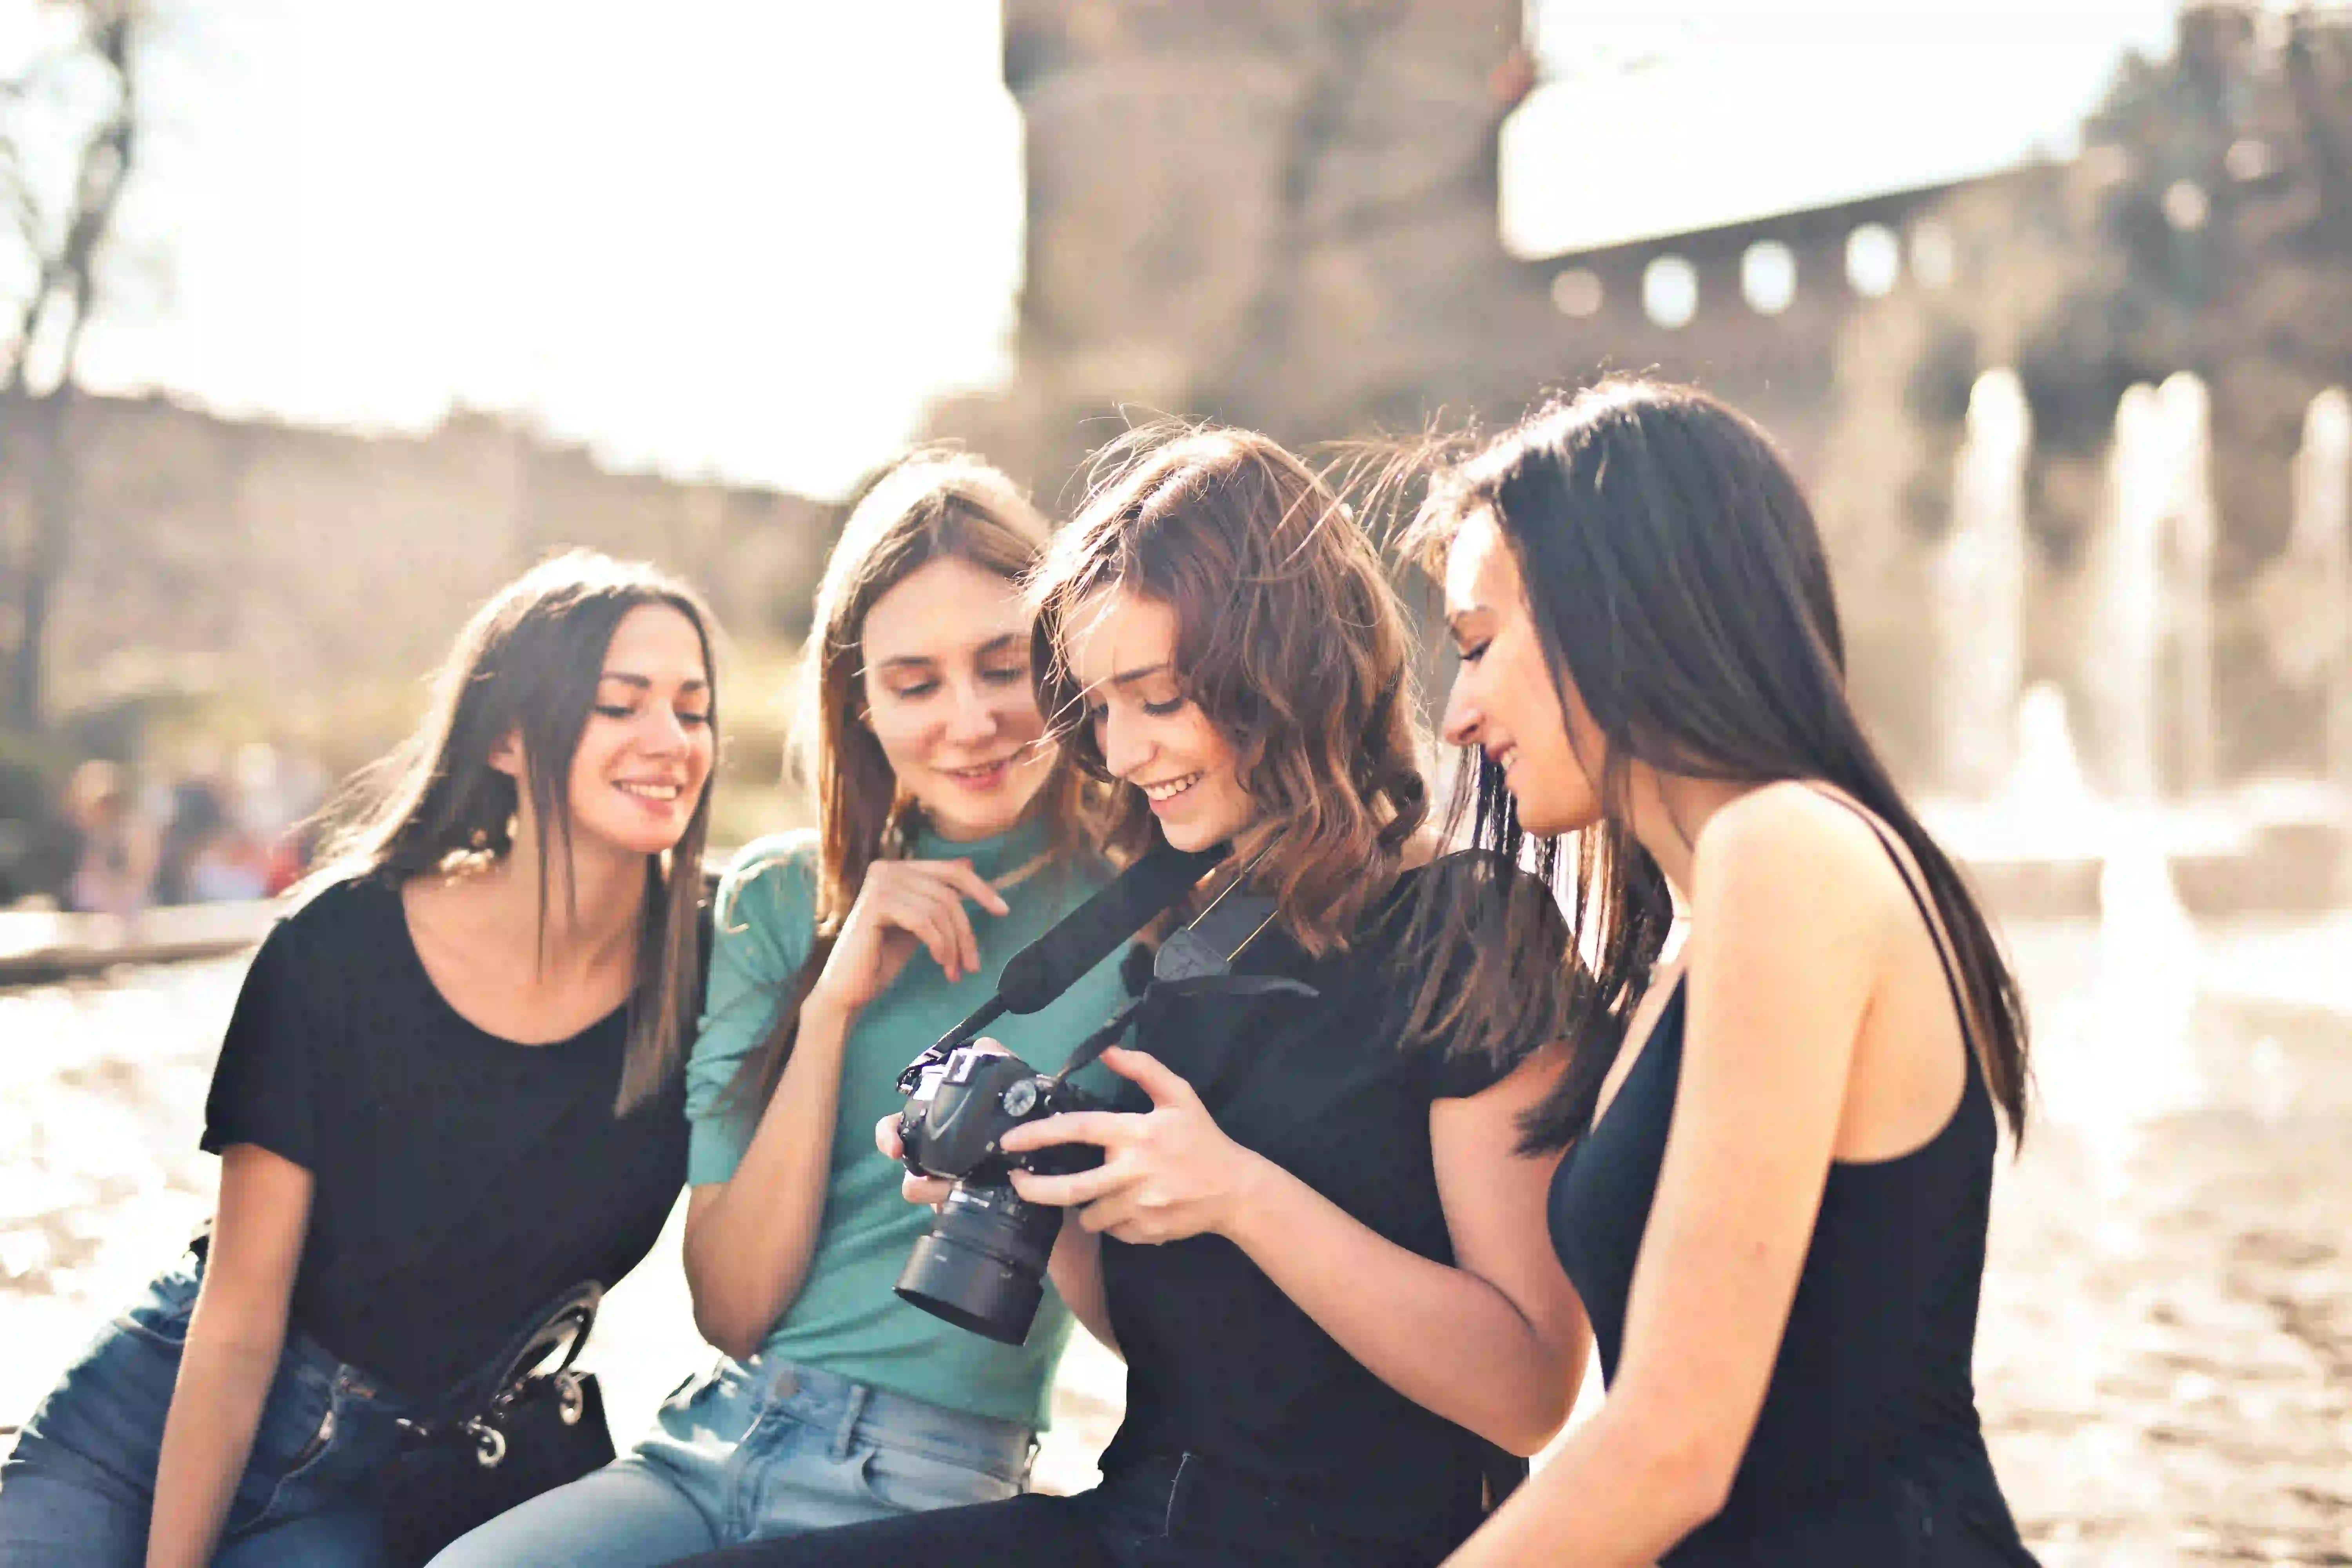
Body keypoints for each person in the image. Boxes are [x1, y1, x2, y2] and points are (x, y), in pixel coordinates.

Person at [671, 425, 1590, 1568]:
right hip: (1133, 1525)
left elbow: (1529, 1392)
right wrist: (1033, 1191)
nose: (1119, 750)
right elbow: (1177, 1356)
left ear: (1280, 673)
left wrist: (1239, 1194)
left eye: (1155, 699)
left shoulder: (1474, 925)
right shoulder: (1191, 933)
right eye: (1100, 707)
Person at [429, 453, 1136, 1565]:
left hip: (936, 1480)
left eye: (1005, 665)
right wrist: (835, 1004)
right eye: (914, 683)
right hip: (709, 1439)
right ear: (860, 705)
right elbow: (733, 1308)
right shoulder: (775, 902)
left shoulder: (1141, 918)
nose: (971, 720)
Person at [1406, 380, 2041, 1565]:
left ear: (1622, 605)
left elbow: (1673, 1447)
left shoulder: (1789, 848)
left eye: (1481, 644)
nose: (1457, 714)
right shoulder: (1685, 944)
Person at [0, 551, 720, 1567]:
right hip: (155, 1421)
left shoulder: (719, 974)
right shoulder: (342, 942)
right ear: (508, 736)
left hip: (390, 1484)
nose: (671, 741)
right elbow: (242, 1313)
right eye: (622, 704)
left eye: (694, 710)